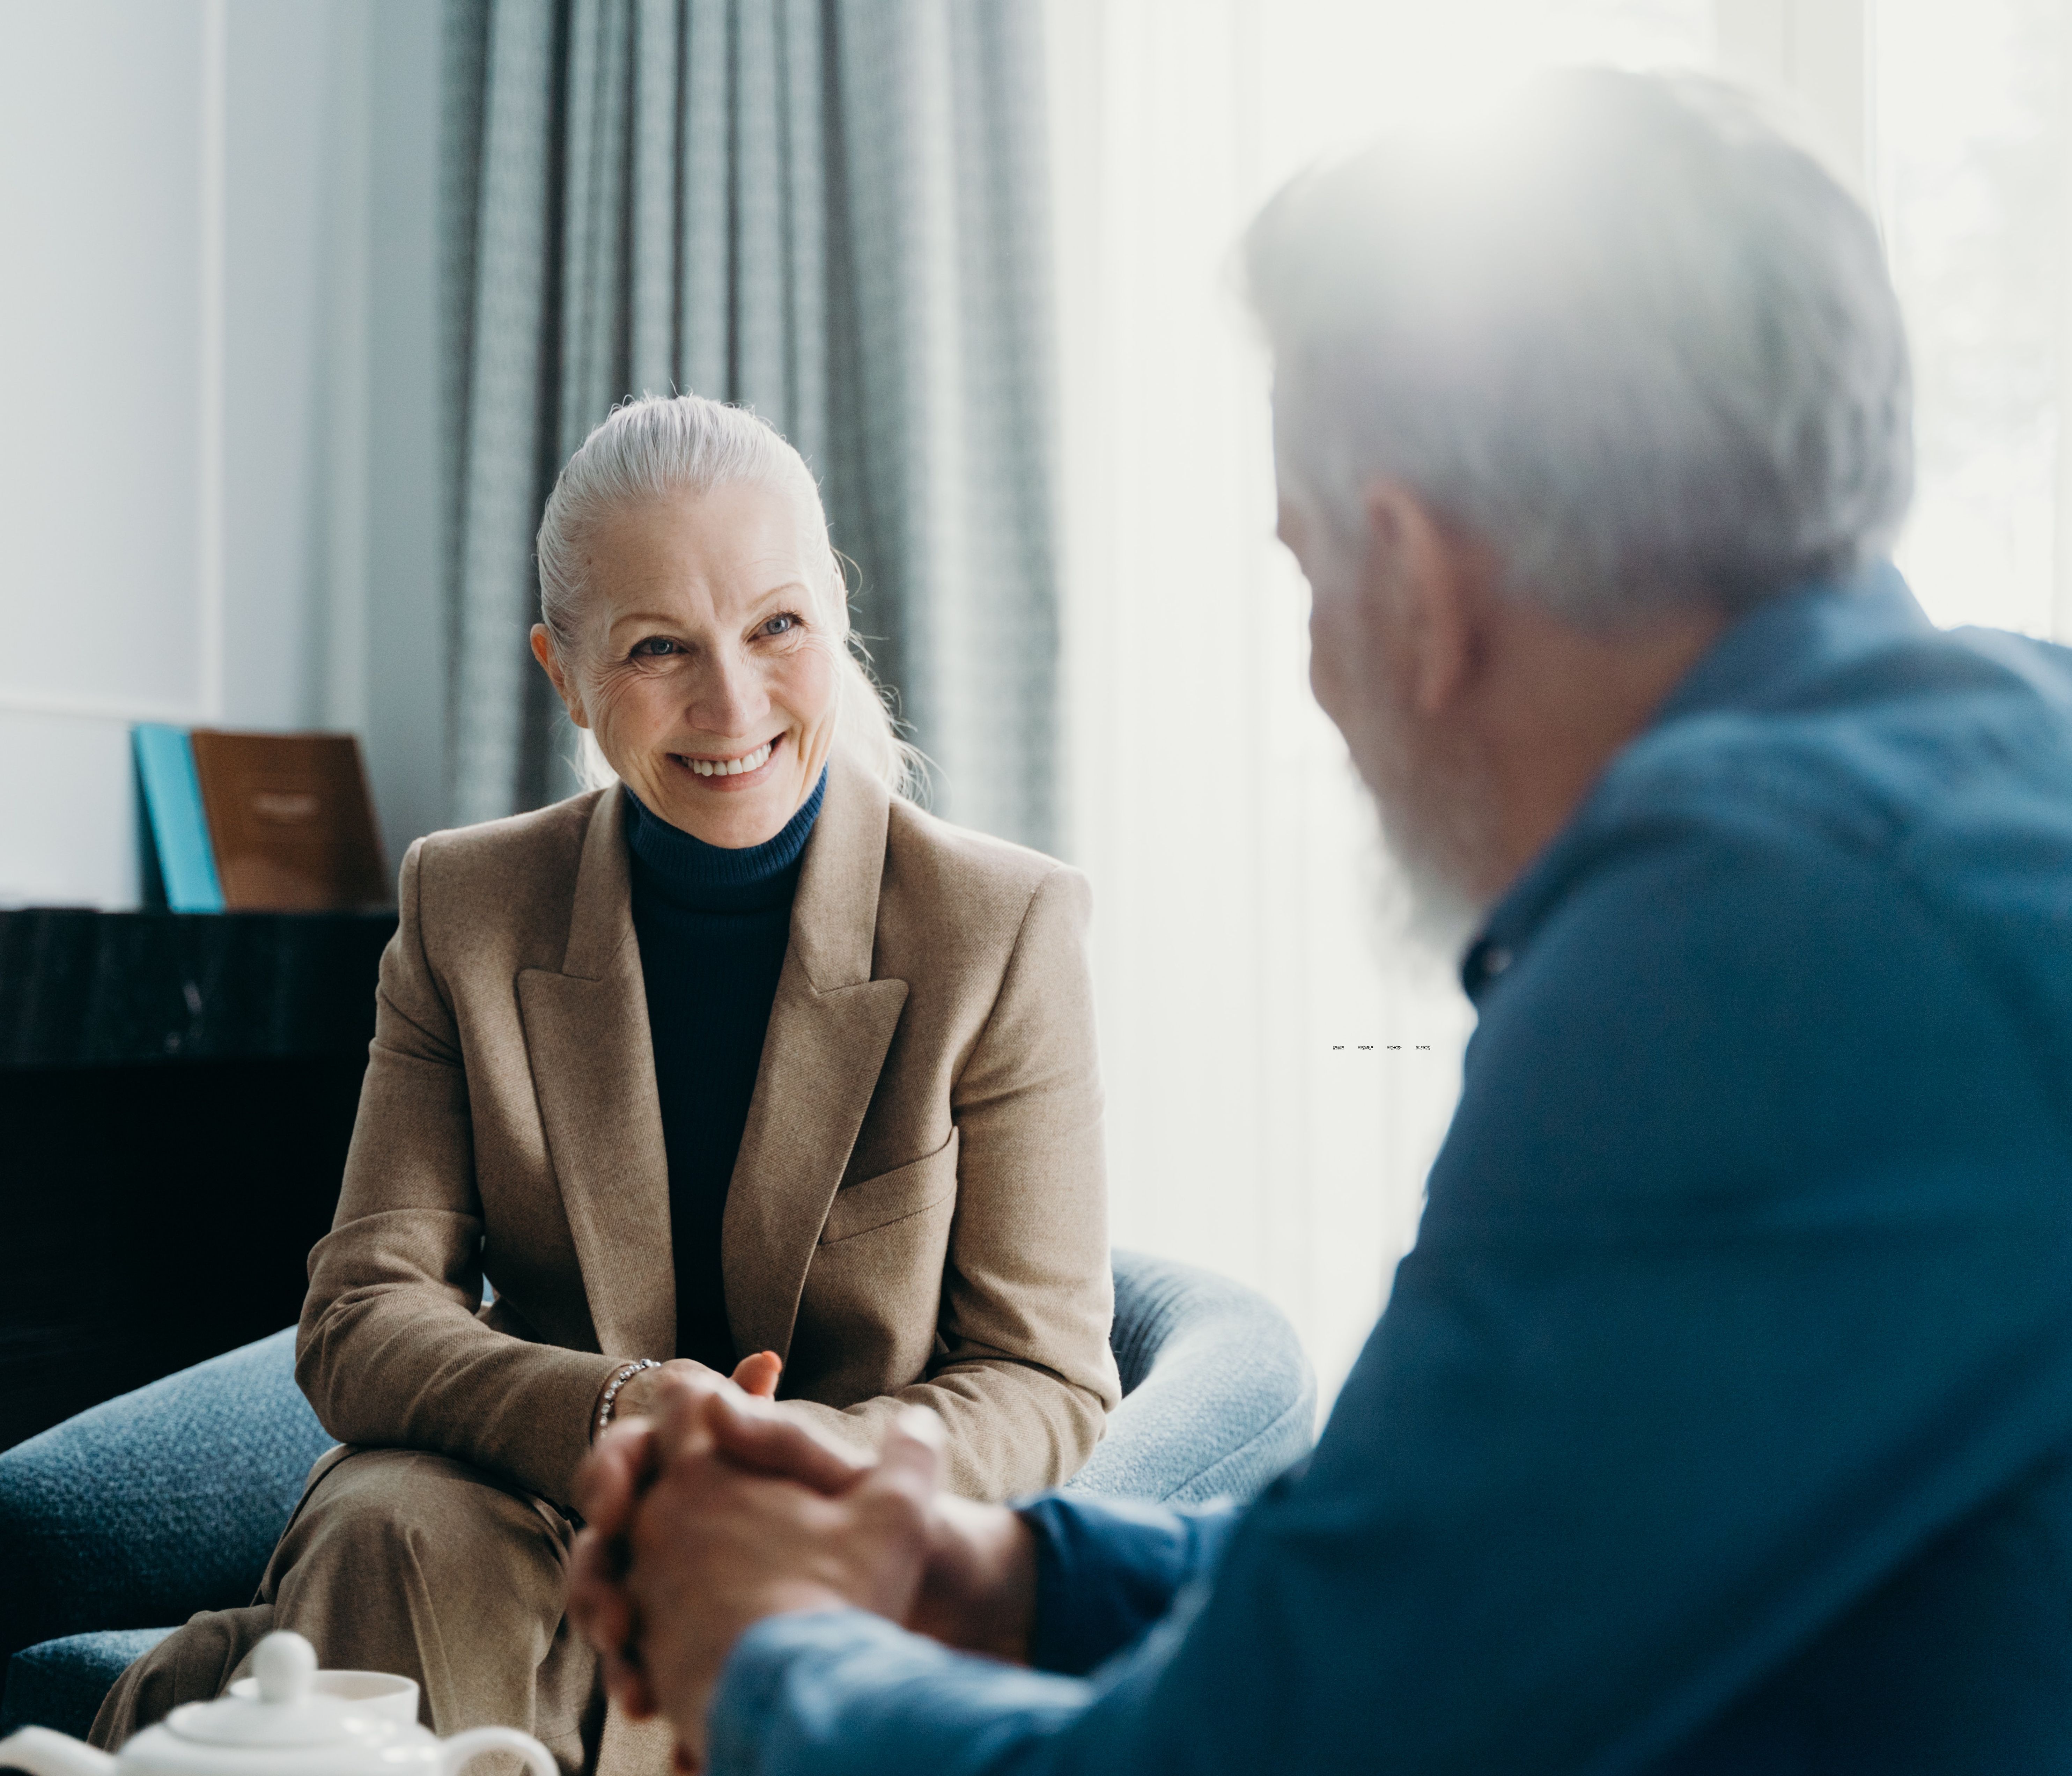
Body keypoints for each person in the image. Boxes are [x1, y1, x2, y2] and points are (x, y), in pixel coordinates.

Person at [564, 68, 2072, 1775]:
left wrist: (770, 1656)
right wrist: (989, 1573)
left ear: (1409, 582)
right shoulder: (1978, 782)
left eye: (1300, 573)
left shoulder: (1746, 951)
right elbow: (1461, 1566)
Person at [90, 395, 1120, 1775]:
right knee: (393, 1530)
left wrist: (787, 1477)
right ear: (563, 675)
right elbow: (360, 1317)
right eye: (655, 649)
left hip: (831, 1521)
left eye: (776, 627)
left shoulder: (1001, 928)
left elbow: (1043, 1377)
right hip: (520, 1501)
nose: (730, 702)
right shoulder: (467, 905)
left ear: (833, 616)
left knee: (692, 1621)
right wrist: (617, 1411)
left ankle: (243, 1696)